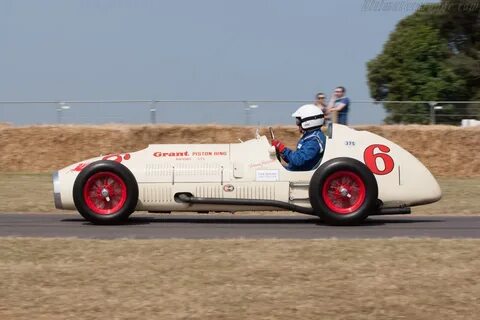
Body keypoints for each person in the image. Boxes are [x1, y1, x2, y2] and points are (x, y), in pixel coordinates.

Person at [271, 104, 326, 171]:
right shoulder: (310, 136)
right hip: (296, 170)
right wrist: (281, 152)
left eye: (298, 121)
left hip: (301, 174)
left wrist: (282, 149)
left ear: (308, 121)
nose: (297, 124)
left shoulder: (314, 140)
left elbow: (298, 161)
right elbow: (294, 161)